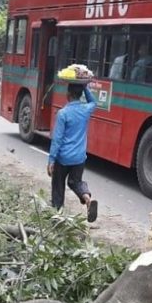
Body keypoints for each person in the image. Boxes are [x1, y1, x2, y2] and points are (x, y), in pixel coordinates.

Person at [47, 81, 99, 222]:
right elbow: (94, 102)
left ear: (68, 95)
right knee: (75, 182)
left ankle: (57, 217)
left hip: (63, 158)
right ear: (81, 95)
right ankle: (86, 196)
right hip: (79, 158)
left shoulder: (63, 114)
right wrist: (85, 87)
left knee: (58, 187)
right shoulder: (85, 110)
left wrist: (51, 160)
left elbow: (57, 139)